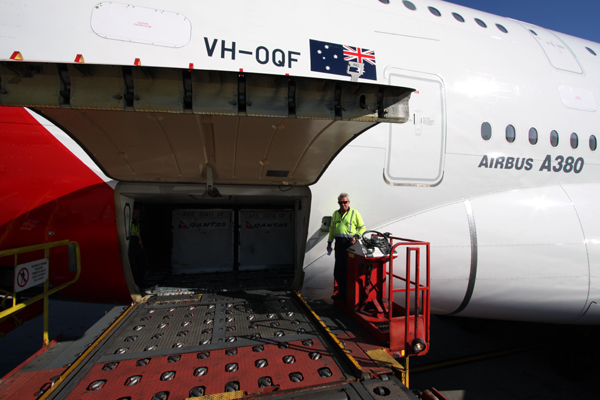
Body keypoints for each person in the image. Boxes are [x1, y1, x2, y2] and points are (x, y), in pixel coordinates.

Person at [327, 193, 366, 300]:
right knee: (338, 271)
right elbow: (331, 229)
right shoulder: (335, 213)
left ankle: (349, 294)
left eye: (344, 202)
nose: (342, 204)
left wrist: (356, 237)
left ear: (348, 202)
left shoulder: (354, 213)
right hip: (339, 245)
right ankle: (342, 292)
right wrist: (329, 243)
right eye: (340, 202)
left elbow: (362, 228)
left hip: (350, 245)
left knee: (348, 270)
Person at [129, 207, 149, 286]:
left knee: (144, 262)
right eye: (135, 213)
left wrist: (142, 248)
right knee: (133, 266)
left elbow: (139, 236)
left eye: (137, 214)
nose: (136, 215)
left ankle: (140, 282)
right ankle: (136, 282)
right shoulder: (128, 223)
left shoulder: (135, 224)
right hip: (130, 247)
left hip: (136, 246)